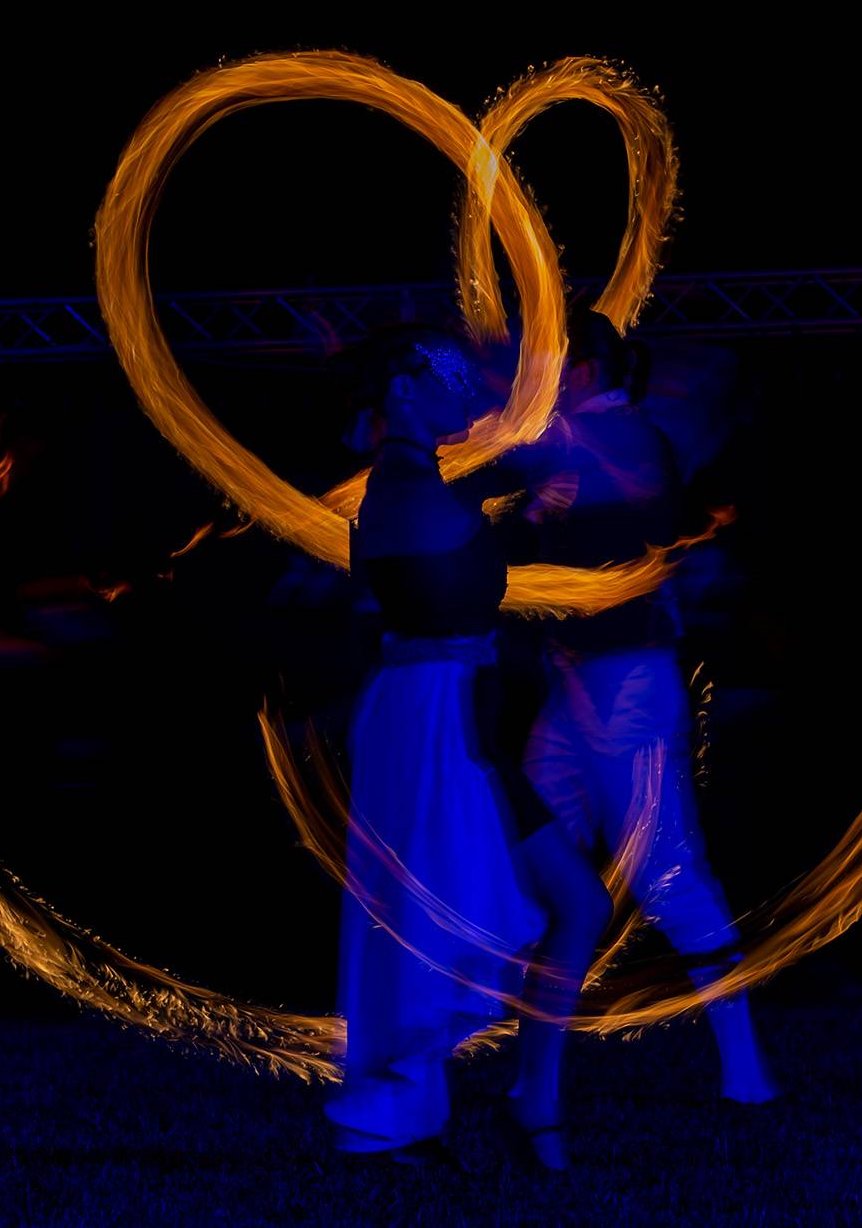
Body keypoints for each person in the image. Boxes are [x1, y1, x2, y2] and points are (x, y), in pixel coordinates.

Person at [325, 325, 612, 1170]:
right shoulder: (401, 489)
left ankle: (525, 1101)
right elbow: (459, 583)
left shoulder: (416, 484)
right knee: (448, 913)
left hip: (448, 720)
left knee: (571, 905)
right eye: (443, 374)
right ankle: (401, 1118)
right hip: (437, 724)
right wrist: (541, 496)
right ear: (401, 392)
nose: (463, 389)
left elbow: (466, 575)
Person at [516, 305, 781, 1105]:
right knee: (533, 860)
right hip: (576, 686)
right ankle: (525, 1076)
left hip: (627, 688)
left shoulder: (618, 438)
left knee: (667, 878)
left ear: (583, 371)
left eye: (547, 366)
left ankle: (746, 1074)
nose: (534, 382)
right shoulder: (585, 442)